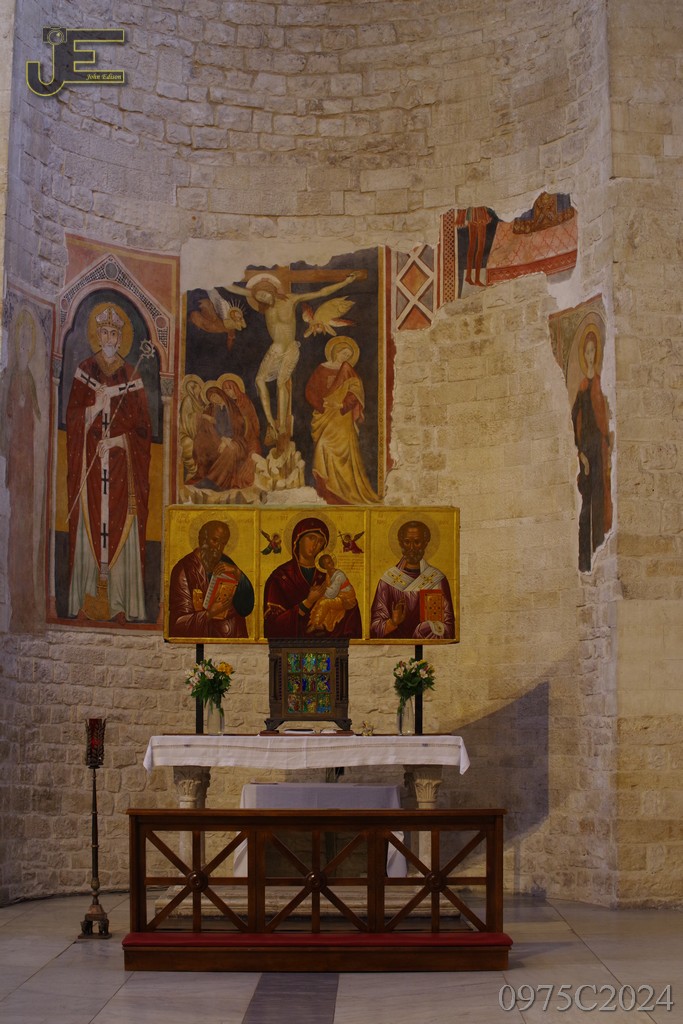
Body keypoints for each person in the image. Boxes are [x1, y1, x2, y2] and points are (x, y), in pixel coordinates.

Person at [66, 303, 152, 623]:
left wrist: (117, 442)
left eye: (114, 333)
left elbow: (143, 430)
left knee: (122, 525)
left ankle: (120, 600)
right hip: (90, 468)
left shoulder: (132, 376)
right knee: (90, 525)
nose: (108, 338)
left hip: (121, 471)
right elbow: (73, 418)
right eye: (103, 332)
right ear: (97, 336)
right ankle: (88, 596)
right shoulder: (85, 370)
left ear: (120, 338)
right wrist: (95, 407)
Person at [222, 271, 360, 447]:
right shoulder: (264, 305)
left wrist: (345, 282)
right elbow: (235, 289)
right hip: (276, 348)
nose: (262, 298)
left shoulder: (291, 299)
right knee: (259, 380)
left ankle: (281, 426)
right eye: (259, 297)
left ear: (271, 290)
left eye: (264, 294)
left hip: (290, 348)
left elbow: (321, 292)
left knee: (281, 383)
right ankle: (271, 422)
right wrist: (215, 277)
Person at [304, 336, 379, 505]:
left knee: (342, 453)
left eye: (348, 355)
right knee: (322, 447)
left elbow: (356, 393)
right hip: (325, 415)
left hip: (342, 417)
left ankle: (345, 492)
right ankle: (327, 492)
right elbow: (310, 390)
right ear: (335, 352)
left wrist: (341, 404)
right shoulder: (322, 368)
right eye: (344, 353)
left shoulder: (348, 370)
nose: (345, 357)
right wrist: (322, 405)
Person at [263, 517, 362, 638]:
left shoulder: (328, 575)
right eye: (311, 538)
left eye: (320, 541)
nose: (315, 544)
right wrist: (308, 602)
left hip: (327, 644)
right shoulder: (280, 577)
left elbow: (350, 613)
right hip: (290, 646)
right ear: (298, 540)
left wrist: (346, 603)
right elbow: (272, 625)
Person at [168, 519, 254, 638]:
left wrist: (238, 573)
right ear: (203, 539)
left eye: (223, 543)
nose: (218, 547)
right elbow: (178, 623)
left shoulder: (227, 563)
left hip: (232, 638)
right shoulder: (184, 569)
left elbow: (246, 607)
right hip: (204, 639)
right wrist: (209, 613)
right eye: (215, 540)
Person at [370, 520, 455, 640]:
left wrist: (427, 628)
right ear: (401, 543)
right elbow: (374, 628)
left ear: (425, 543)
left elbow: (449, 626)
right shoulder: (388, 580)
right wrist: (392, 622)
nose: (411, 547)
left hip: (427, 645)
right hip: (395, 647)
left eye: (417, 542)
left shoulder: (436, 579)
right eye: (407, 542)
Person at [572, 328, 612, 572]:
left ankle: (600, 554)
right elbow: (573, 420)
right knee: (585, 507)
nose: (589, 355)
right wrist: (580, 453)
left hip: (599, 450)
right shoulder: (582, 386)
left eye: (592, 351)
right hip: (585, 454)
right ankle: (584, 561)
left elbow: (604, 423)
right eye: (586, 351)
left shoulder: (598, 382)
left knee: (598, 503)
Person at [190, 378, 261, 491]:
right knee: (221, 450)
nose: (214, 399)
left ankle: (214, 481)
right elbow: (217, 427)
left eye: (215, 395)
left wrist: (229, 439)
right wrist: (223, 439)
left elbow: (239, 426)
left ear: (220, 393)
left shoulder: (232, 406)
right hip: (224, 440)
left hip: (238, 440)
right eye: (211, 399)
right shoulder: (217, 409)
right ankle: (215, 481)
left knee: (231, 450)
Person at [307, 554, 358, 634]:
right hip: (338, 596)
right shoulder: (328, 574)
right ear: (324, 567)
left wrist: (319, 591)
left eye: (331, 561)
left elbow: (331, 594)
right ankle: (319, 624)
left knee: (324, 602)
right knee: (320, 601)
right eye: (328, 563)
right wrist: (316, 588)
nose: (331, 563)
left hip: (346, 599)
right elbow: (326, 586)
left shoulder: (339, 575)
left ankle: (316, 624)